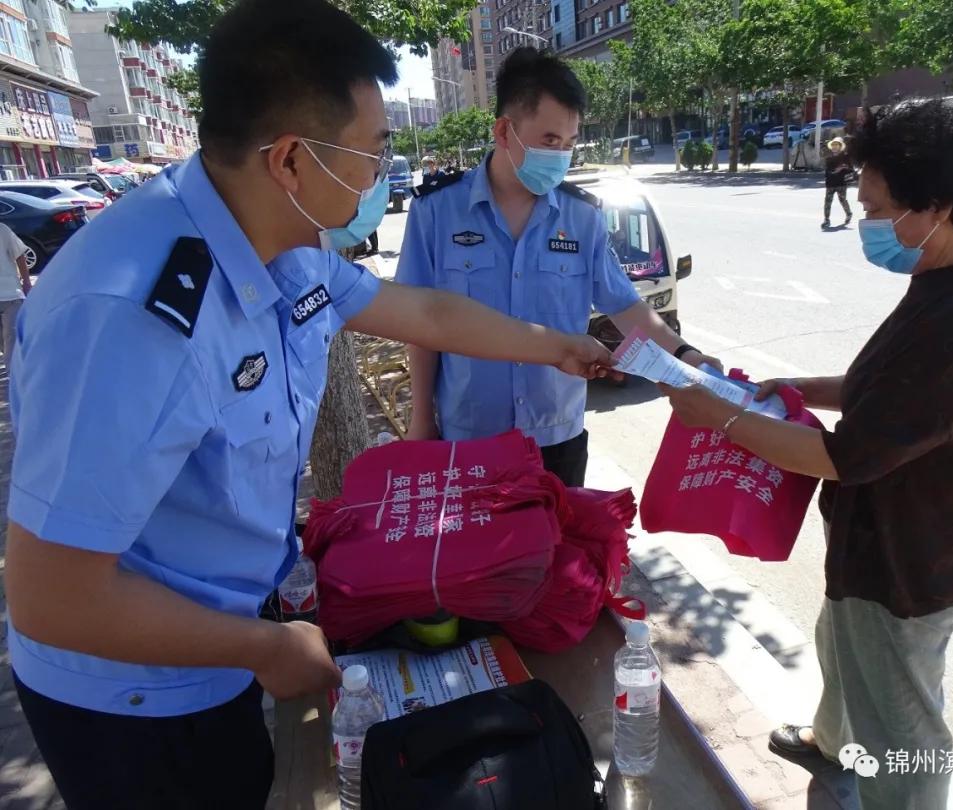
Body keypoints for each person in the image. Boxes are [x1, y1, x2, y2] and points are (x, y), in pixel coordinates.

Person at [3, 3, 614, 808]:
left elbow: (423, 314)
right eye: (370, 152)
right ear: (292, 159)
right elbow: (54, 598)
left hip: (214, 645)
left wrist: (557, 344)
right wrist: (265, 647)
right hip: (131, 703)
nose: (378, 175)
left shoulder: (284, 244)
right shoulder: (131, 318)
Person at [660, 100, 953, 810]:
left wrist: (724, 418)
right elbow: (884, 390)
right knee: (847, 650)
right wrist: (798, 387)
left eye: (879, 206)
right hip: (882, 544)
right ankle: (832, 745)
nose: (867, 220)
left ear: (937, 207)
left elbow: (842, 457)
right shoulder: (946, 279)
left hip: (911, 561)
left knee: (902, 723)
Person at [396, 47, 722, 487]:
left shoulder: (582, 217)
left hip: (557, 436)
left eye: (569, 144)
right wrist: (421, 420)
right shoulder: (437, 212)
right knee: (478, 556)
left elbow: (625, 305)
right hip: (469, 435)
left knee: (560, 552)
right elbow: (420, 324)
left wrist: (685, 355)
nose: (561, 155)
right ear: (503, 131)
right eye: (550, 141)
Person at [0, 221, 31, 367]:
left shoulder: (2, 230)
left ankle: (16, 380)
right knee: (4, 344)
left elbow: (19, 254)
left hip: (11, 295)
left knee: (12, 341)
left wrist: (26, 282)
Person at [822, 137, 853, 229]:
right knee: (828, 202)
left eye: (836, 145)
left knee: (843, 200)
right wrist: (836, 171)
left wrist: (845, 168)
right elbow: (828, 171)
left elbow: (851, 170)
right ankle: (826, 220)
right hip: (830, 183)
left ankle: (849, 214)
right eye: (833, 145)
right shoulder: (829, 158)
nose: (834, 147)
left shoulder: (845, 157)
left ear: (840, 146)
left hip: (841, 183)